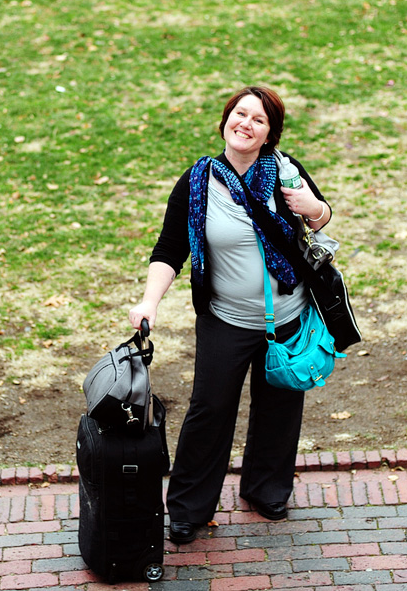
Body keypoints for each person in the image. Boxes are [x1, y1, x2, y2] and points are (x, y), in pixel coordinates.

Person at [128, 85, 332, 544]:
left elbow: (321, 218)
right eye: (240, 114)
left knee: (281, 403)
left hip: (289, 315)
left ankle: (266, 491)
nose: (246, 124)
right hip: (227, 319)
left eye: (258, 120)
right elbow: (170, 248)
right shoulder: (197, 180)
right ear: (225, 121)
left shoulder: (285, 171)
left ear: (269, 135)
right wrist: (149, 301)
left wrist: (311, 207)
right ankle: (188, 508)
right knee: (210, 409)